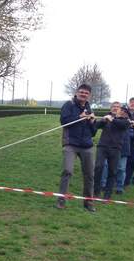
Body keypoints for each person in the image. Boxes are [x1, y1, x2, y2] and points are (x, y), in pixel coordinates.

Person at [57, 84, 97, 212]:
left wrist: (92, 122)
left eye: (86, 93)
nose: (83, 94)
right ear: (77, 92)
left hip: (87, 146)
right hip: (70, 144)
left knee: (90, 174)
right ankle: (61, 200)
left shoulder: (89, 108)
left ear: (89, 95)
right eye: (81, 92)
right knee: (67, 171)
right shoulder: (69, 104)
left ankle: (88, 203)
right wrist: (79, 117)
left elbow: (93, 132)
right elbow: (64, 121)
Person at [93, 103, 131, 200]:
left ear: (123, 112)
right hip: (102, 146)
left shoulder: (126, 121)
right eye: (114, 107)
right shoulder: (107, 118)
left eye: (118, 108)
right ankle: (96, 191)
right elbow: (96, 126)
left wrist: (112, 119)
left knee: (112, 171)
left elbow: (121, 125)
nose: (116, 109)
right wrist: (102, 120)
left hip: (116, 149)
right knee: (98, 167)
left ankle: (107, 194)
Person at [123, 97, 134, 187]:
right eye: (131, 102)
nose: (132, 104)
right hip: (123, 140)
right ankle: (117, 179)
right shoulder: (123, 111)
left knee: (131, 162)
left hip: (133, 140)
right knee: (120, 160)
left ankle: (126, 181)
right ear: (128, 103)